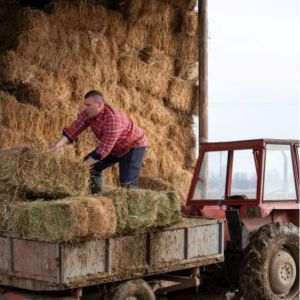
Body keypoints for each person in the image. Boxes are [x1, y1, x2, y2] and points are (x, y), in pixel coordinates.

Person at [50, 90, 147, 193]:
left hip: (132, 146)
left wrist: (80, 167)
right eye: (85, 105)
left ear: (100, 105)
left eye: (88, 105)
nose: (85, 108)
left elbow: (102, 152)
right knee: (92, 168)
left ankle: (131, 207)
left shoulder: (113, 120)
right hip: (113, 146)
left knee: (127, 182)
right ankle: (98, 199)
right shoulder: (88, 114)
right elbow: (74, 130)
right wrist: (57, 145)